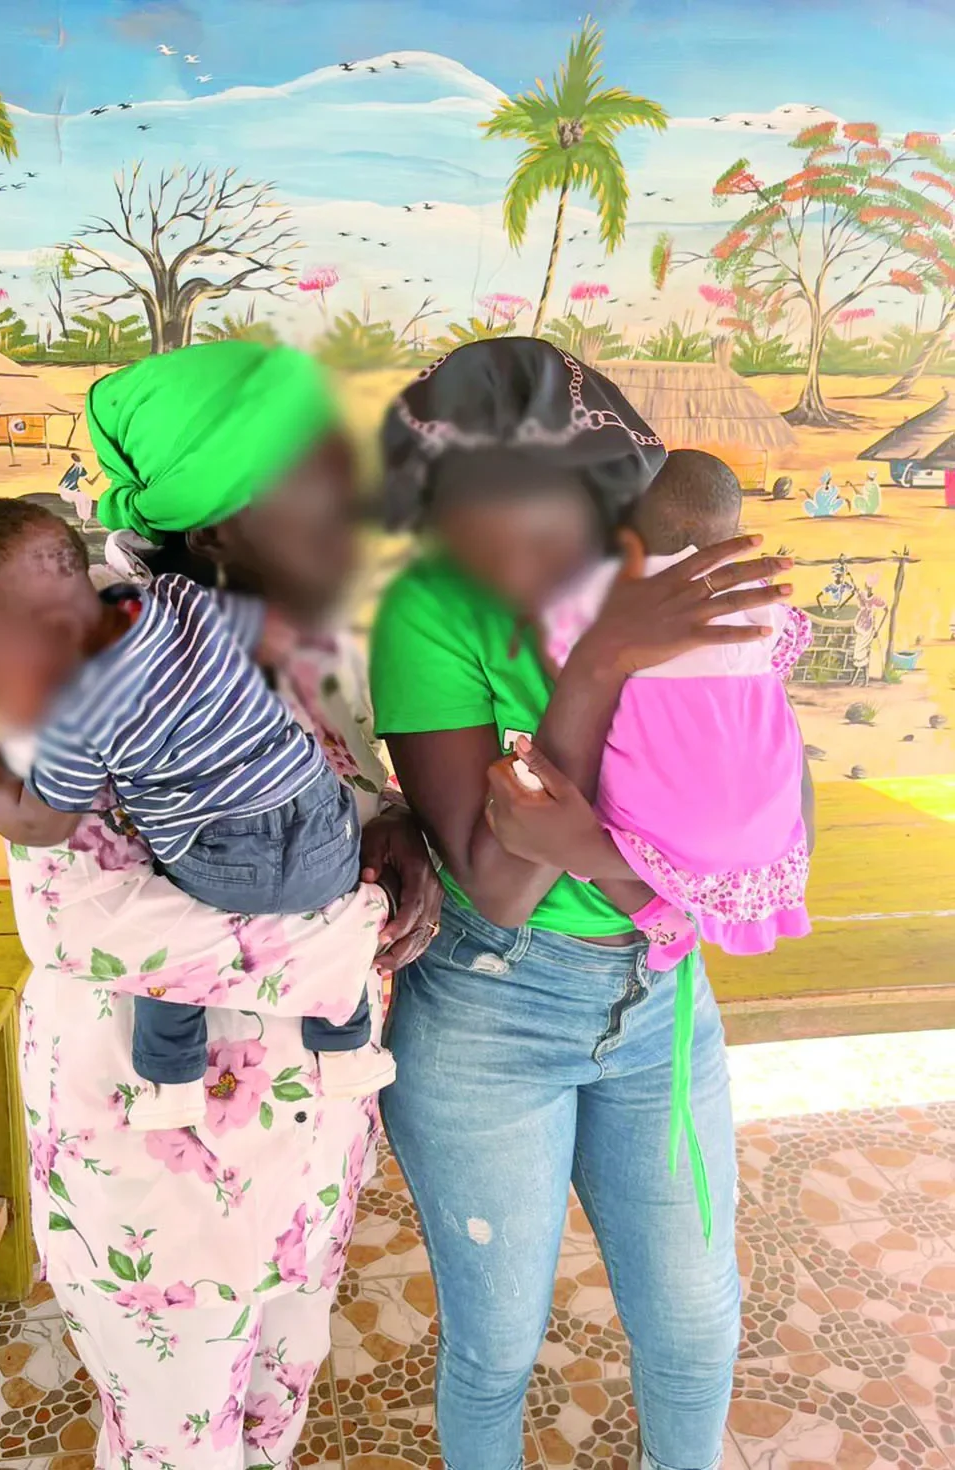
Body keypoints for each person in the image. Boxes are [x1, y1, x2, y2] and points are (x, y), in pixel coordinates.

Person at [0, 341, 443, 1469]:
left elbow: (344, 795)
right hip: (155, 1153)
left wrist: (396, 823)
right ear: (220, 523)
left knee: (276, 1405)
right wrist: (356, 928)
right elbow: (81, 921)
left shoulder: (314, 636)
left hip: (309, 1134)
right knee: (174, 1445)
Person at [369, 338, 793, 1470]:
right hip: (491, 1016)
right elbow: (500, 885)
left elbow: (744, 844)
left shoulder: (681, 578)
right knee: (497, 1348)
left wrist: (589, 851)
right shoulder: (429, 610)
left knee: (695, 1328)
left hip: (661, 1007)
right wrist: (599, 664)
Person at [0, 495, 394, 1126]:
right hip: (322, 819)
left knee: (173, 952)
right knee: (332, 909)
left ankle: (175, 1081)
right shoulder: (177, 598)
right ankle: (349, 1050)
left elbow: (42, 822)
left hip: (224, 856)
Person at [540, 447, 815, 962]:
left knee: (582, 826)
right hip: (769, 824)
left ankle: (656, 918)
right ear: (732, 532)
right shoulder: (753, 590)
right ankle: (757, 915)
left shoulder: (608, 588)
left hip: (670, 823)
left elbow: (564, 657)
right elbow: (788, 644)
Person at [57, 451, 94, 527]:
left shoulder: (78, 467)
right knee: (83, 500)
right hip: (67, 489)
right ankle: (83, 520)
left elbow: (90, 482)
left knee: (85, 499)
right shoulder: (78, 467)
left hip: (69, 489)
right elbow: (91, 482)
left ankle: (83, 521)